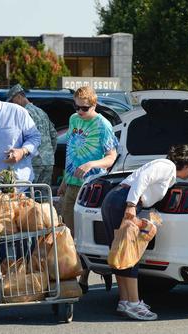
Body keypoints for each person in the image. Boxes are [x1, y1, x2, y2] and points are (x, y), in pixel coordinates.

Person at [101, 144, 188, 321]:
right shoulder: (166, 166)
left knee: (120, 253)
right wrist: (131, 205)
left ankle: (124, 300)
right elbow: (144, 179)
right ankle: (133, 303)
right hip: (123, 202)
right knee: (130, 254)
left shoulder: (167, 171)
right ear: (186, 164)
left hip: (115, 200)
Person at [57, 85, 119, 293]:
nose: (80, 112)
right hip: (72, 184)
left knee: (86, 235)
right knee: (68, 233)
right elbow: (71, 152)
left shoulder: (103, 125)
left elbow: (112, 157)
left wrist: (92, 164)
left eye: (84, 108)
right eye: (76, 107)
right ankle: (72, 275)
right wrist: (65, 181)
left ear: (94, 105)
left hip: (93, 188)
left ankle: (83, 278)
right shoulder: (74, 120)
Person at [6, 84, 57, 188]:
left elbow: (17, 137)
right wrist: (50, 154)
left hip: (33, 162)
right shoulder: (41, 111)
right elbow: (54, 135)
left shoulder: (23, 113)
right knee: (44, 197)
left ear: (19, 97)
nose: (12, 104)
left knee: (30, 198)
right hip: (48, 162)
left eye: (12, 101)